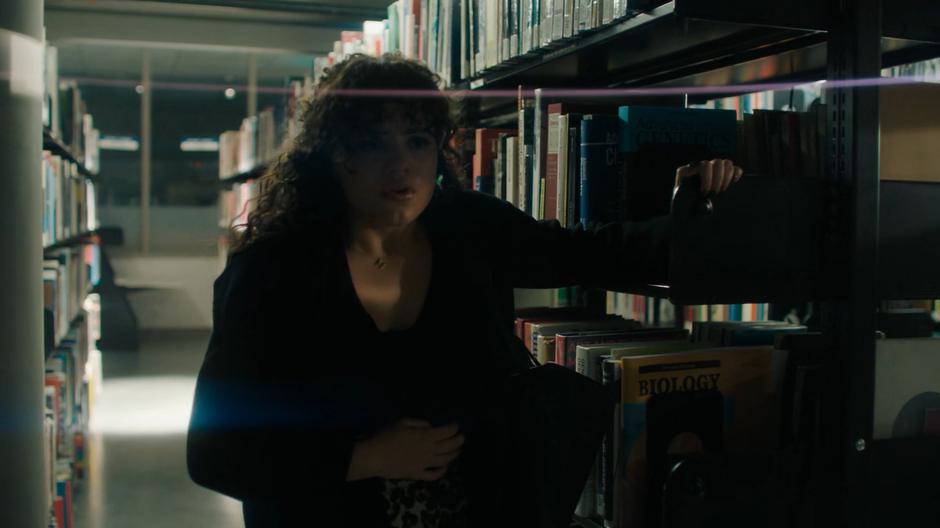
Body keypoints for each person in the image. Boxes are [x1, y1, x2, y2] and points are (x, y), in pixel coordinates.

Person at [186, 53, 743, 528]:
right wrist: (365, 457)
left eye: (418, 139)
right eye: (373, 142)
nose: (401, 162)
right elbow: (215, 455)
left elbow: (595, 252)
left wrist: (696, 207)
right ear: (334, 155)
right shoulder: (271, 273)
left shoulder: (468, 228)